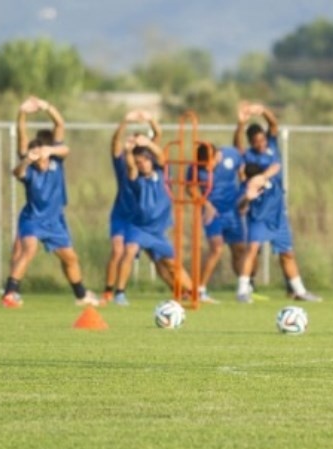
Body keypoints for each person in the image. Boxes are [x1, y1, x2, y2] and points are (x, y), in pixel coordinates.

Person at [1, 97, 98, 308]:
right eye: (37, 155)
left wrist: (46, 107)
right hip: (33, 219)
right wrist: (22, 114)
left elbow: (61, 127)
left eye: (42, 154)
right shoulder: (28, 170)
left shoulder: (56, 159)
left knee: (70, 258)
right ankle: (10, 294)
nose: (41, 159)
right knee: (28, 251)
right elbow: (17, 168)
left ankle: (81, 295)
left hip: (55, 220)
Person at [233, 102, 321, 303]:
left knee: (287, 252)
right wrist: (240, 124)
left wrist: (262, 110)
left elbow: (273, 125)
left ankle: (299, 291)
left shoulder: (272, 147)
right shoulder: (248, 156)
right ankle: (242, 291)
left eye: (262, 139)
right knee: (253, 249)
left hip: (277, 211)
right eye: (256, 141)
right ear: (251, 142)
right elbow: (238, 146)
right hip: (259, 212)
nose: (261, 143)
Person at [112, 134, 193, 302]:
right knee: (130, 250)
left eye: (145, 160)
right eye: (138, 162)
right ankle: (119, 293)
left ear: (150, 160)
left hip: (158, 230)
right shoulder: (136, 179)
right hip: (139, 228)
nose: (142, 165)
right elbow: (130, 167)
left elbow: (162, 157)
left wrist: (148, 142)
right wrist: (128, 152)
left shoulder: (162, 173)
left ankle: (192, 293)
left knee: (169, 263)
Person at [104, 110, 161, 305]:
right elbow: (114, 142)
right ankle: (109, 292)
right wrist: (124, 122)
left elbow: (158, 137)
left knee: (135, 253)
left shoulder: (147, 160)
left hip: (141, 219)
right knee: (118, 251)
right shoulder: (123, 160)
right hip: (121, 214)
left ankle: (120, 292)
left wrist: (151, 119)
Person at [187, 142, 246, 303]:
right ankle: (200, 290)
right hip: (211, 214)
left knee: (239, 249)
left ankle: (244, 288)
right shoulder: (195, 167)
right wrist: (206, 204)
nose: (207, 169)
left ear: (217, 156)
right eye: (203, 166)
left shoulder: (231, 155)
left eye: (209, 164)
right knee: (217, 248)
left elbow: (243, 174)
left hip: (232, 212)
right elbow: (191, 188)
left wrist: (244, 198)